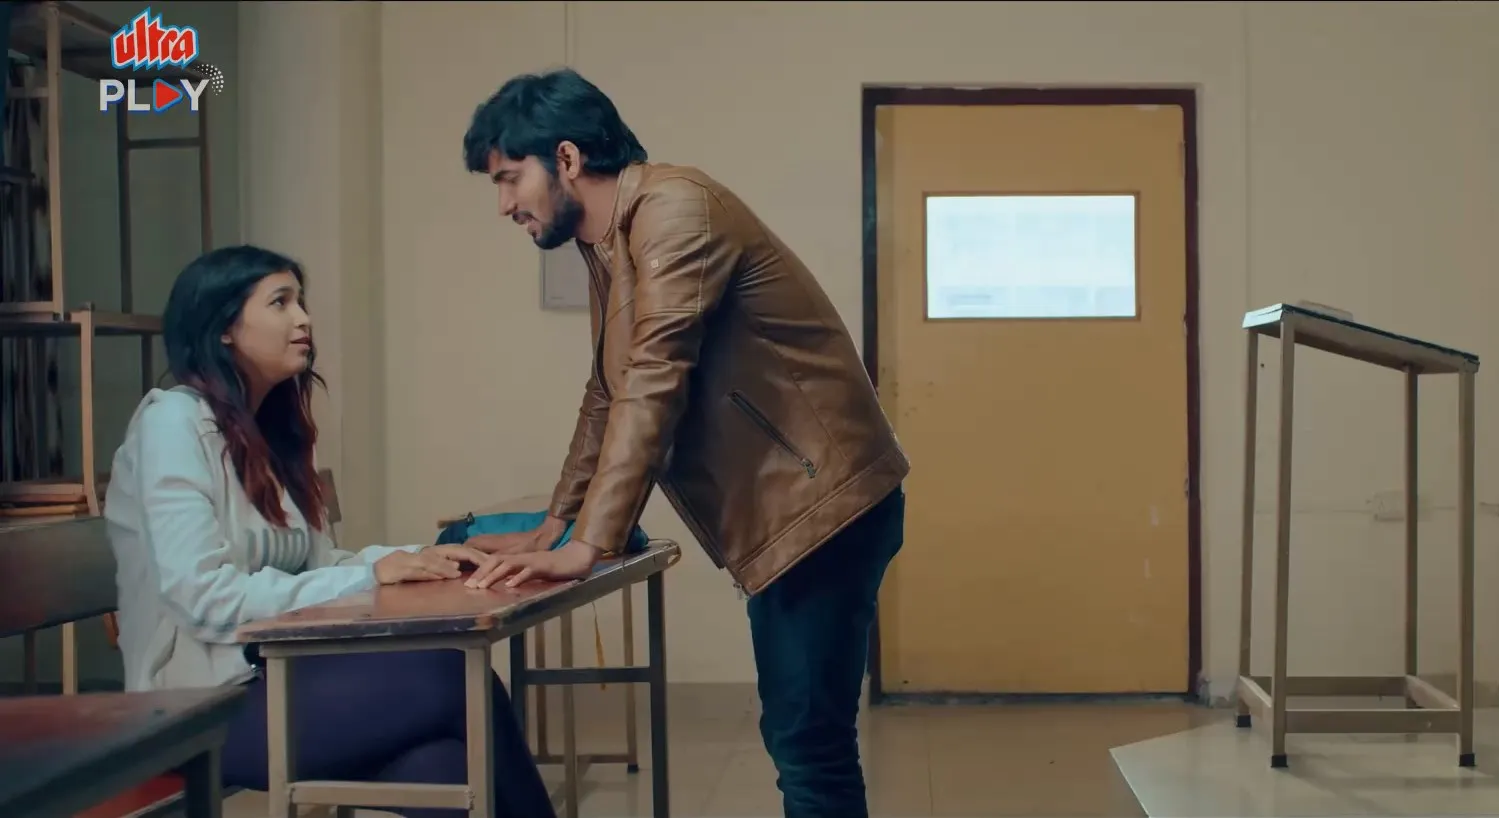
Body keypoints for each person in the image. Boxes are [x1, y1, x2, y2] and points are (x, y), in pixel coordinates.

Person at [457, 68, 911, 818]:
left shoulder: (675, 207)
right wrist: (555, 525)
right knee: (802, 738)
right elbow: (607, 392)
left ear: (566, 158)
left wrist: (589, 545)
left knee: (809, 745)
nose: (505, 205)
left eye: (510, 179)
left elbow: (654, 377)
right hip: (794, 510)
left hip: (826, 506)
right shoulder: (609, 241)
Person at [103, 244, 557, 818]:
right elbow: (205, 598)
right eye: (280, 302)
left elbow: (319, 565)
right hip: (190, 711)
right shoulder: (172, 423)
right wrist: (371, 576)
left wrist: (424, 556)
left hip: (273, 680)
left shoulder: (265, 434)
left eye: (301, 301)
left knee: (440, 767)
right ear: (223, 329)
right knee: (451, 676)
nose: (304, 318)